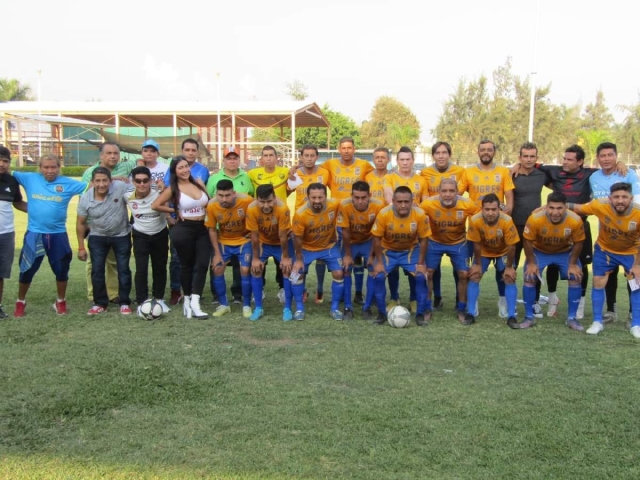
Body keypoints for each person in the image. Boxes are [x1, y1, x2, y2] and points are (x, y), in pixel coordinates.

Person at [13, 154, 87, 317]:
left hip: (58, 234)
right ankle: (20, 302)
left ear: (59, 167)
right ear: (40, 168)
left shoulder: (68, 184)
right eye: (46, 167)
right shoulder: (29, 178)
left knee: (61, 270)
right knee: (27, 270)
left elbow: (94, 186)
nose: (50, 170)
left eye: (53, 167)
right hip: (34, 233)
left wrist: (117, 178)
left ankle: (60, 302)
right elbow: (7, 174)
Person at [569, 182, 640, 337]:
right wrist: (547, 207)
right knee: (598, 283)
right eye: (616, 197)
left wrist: (638, 265)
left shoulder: (638, 212)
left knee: (636, 284)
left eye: (624, 197)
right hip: (605, 251)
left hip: (631, 252)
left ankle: (636, 324)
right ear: (610, 198)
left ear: (631, 198)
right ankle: (597, 322)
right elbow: (578, 208)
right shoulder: (600, 205)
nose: (620, 200)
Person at [316, 137, 373, 304]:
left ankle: (358, 293)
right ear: (339, 149)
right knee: (342, 256)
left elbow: (376, 179)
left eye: (349, 148)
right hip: (336, 218)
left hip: (357, 216)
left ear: (354, 149)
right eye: (343, 148)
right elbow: (314, 171)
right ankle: (323, 290)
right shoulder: (330, 164)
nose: (346, 151)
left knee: (357, 257)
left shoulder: (364, 165)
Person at [588, 142, 640, 325]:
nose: (607, 159)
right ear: (597, 158)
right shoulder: (593, 177)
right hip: (606, 238)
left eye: (610, 155)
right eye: (603, 156)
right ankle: (611, 310)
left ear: (616, 156)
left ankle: (633, 315)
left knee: (633, 276)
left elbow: (637, 203)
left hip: (629, 239)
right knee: (607, 276)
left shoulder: (628, 174)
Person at [152, 157, 210, 319]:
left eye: (186, 166)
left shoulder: (198, 182)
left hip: (202, 228)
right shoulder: (173, 188)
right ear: (174, 171)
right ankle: (188, 301)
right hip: (184, 229)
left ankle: (194, 302)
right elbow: (155, 205)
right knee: (187, 266)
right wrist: (174, 211)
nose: (184, 170)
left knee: (203, 264)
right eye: (180, 168)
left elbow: (209, 202)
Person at [81, 142, 138, 304]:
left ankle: (113, 294)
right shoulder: (90, 172)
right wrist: (111, 179)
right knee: (94, 263)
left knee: (113, 262)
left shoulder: (125, 168)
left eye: (115, 153)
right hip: (95, 225)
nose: (112, 156)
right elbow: (86, 194)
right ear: (101, 156)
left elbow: (141, 162)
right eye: (109, 153)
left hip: (117, 226)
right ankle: (94, 294)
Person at [463, 139, 515, 317]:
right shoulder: (468, 171)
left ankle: (503, 302)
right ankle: (472, 305)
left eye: (489, 150)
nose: (486, 152)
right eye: (483, 149)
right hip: (477, 228)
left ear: (494, 152)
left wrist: (508, 209)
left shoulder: (503, 171)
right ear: (478, 151)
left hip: (499, 226)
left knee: (504, 272)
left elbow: (509, 194)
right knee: (475, 271)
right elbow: (459, 194)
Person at [521, 192, 585, 330]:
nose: (555, 212)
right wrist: (531, 263)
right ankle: (528, 317)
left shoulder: (575, 220)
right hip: (540, 251)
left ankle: (572, 318)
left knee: (576, 276)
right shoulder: (535, 219)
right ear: (546, 207)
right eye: (551, 208)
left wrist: (573, 264)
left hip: (564, 252)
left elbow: (579, 242)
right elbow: (527, 241)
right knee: (529, 276)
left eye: (559, 208)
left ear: (566, 208)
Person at [419, 178, 479, 322]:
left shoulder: (466, 204)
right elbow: (416, 215)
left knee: (464, 274)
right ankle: (427, 308)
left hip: (458, 243)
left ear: (457, 192)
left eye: (451, 191)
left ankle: (461, 308)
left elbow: (480, 216)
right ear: (439, 192)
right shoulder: (428, 203)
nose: (447, 194)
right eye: (444, 191)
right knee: (428, 273)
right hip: (434, 242)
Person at [370, 186, 431, 325]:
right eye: (399, 202)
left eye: (406, 201)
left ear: (411, 201)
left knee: (421, 277)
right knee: (378, 276)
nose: (403, 205)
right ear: (393, 201)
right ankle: (381, 314)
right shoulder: (384, 214)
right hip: (388, 251)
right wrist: (379, 262)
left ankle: (420, 315)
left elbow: (424, 239)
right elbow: (376, 238)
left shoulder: (420, 214)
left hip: (410, 250)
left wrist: (421, 264)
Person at [76, 167, 133, 315]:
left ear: (110, 181)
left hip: (121, 235)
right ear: (92, 182)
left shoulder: (120, 187)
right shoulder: (86, 198)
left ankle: (125, 302)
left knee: (123, 269)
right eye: (98, 181)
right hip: (97, 237)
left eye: (105, 180)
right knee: (97, 271)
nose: (101, 184)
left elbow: (139, 190)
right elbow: (80, 223)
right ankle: (100, 303)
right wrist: (81, 247)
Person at [420, 141, 467, 310]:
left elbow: (461, 195)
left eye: (444, 153)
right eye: (437, 153)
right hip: (433, 225)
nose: (441, 156)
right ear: (433, 155)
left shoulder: (460, 172)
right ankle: (437, 297)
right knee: (433, 268)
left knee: (459, 269)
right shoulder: (425, 173)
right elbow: (422, 195)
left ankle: (458, 299)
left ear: (449, 154)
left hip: (453, 219)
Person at [164, 138, 209, 306]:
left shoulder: (202, 172)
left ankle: (194, 295)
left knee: (200, 261)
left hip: (201, 225)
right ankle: (178, 292)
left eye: (193, 150)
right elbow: (164, 198)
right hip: (181, 224)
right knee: (179, 260)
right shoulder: (172, 173)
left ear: (197, 152)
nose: (190, 152)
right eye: (187, 149)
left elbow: (206, 197)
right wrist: (172, 213)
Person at [206, 147, 254, 306]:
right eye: (229, 158)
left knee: (242, 269)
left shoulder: (246, 179)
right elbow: (211, 225)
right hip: (222, 235)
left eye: (235, 158)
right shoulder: (214, 180)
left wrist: (251, 231)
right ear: (224, 160)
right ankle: (219, 299)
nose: (232, 161)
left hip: (242, 236)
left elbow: (254, 206)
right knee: (217, 265)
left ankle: (240, 297)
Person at [291, 183, 344, 320]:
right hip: (306, 248)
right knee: (296, 273)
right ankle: (299, 308)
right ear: (308, 197)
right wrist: (298, 260)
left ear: (326, 196)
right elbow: (297, 239)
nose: (317, 201)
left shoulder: (335, 205)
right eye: (313, 197)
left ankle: (335, 308)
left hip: (329, 247)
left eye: (320, 197)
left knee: (339, 272)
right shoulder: (300, 214)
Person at [465, 194, 520, 327]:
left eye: (494, 209)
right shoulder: (475, 220)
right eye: (487, 209)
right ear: (482, 209)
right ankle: (471, 312)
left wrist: (509, 267)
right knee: (474, 275)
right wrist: (477, 264)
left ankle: (511, 314)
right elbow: (476, 244)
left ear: (499, 209)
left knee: (509, 277)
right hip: (483, 251)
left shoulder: (507, 221)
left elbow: (511, 246)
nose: (490, 213)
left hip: (503, 252)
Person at [124, 166, 170, 316]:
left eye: (145, 181)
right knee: (141, 269)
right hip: (140, 235)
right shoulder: (128, 195)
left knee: (160, 267)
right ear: (133, 181)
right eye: (138, 181)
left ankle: (159, 299)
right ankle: (142, 301)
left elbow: (173, 190)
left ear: (150, 181)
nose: (142, 184)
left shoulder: (160, 191)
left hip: (160, 233)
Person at [288, 144, 331, 304]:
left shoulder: (325, 173)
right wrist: (290, 173)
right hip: (301, 222)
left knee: (320, 257)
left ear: (317, 157)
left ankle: (319, 289)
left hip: (320, 221)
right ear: (301, 157)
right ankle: (303, 289)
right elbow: (286, 192)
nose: (309, 158)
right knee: (300, 256)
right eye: (306, 155)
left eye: (312, 155)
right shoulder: (296, 174)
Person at [337, 181, 385, 320]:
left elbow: (378, 235)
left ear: (369, 195)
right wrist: (347, 255)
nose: (360, 201)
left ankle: (367, 307)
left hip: (369, 241)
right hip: (351, 242)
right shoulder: (344, 205)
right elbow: (345, 232)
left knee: (372, 267)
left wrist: (372, 255)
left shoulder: (378, 205)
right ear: (351, 196)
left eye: (363, 198)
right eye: (356, 197)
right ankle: (347, 307)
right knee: (346, 268)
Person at [247, 145, 289, 302]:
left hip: (280, 218)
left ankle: (283, 289)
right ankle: (260, 288)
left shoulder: (286, 172)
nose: (269, 158)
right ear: (261, 159)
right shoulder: (252, 174)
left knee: (283, 257)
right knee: (259, 254)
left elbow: (292, 188)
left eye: (272, 155)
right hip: (261, 220)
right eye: (266, 155)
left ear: (277, 158)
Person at [511, 142, 548, 319]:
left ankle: (533, 303)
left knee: (535, 265)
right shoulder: (512, 174)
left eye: (532, 156)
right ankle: (511, 302)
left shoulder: (542, 174)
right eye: (525, 156)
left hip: (536, 227)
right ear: (519, 157)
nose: (528, 159)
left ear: (536, 158)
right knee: (512, 264)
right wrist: (513, 167)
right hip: (515, 225)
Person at [246, 184, 294, 321]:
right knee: (256, 269)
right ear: (256, 200)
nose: (266, 205)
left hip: (280, 243)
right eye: (262, 202)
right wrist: (255, 259)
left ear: (274, 198)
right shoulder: (251, 209)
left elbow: (283, 236)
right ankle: (258, 308)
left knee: (287, 268)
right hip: (263, 242)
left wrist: (285, 257)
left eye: (269, 201)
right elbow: (254, 236)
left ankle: (288, 308)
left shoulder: (283, 208)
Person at [0, 146, 28, 318]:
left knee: (1, 273)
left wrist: (42, 210)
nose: (1, 164)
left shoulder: (11, 181)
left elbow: (18, 203)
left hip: (6, 234)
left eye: (5, 161)